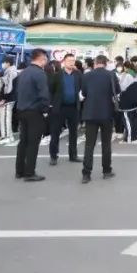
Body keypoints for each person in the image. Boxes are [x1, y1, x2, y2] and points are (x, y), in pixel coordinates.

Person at [14, 49, 50, 182]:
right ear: (41, 59)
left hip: (22, 110)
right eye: (45, 59)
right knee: (33, 143)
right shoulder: (40, 73)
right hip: (35, 111)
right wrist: (46, 110)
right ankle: (30, 172)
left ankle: (20, 170)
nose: (46, 62)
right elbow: (44, 95)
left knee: (23, 141)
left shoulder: (24, 73)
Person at [81, 55, 118, 183]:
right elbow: (117, 91)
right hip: (106, 113)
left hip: (90, 113)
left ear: (95, 63)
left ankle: (86, 173)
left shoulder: (86, 76)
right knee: (106, 143)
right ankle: (106, 170)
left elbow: (84, 93)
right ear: (106, 63)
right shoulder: (111, 75)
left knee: (89, 145)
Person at [48, 53, 82, 165]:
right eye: (69, 61)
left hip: (73, 107)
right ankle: (53, 156)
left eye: (73, 60)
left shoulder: (78, 74)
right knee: (55, 132)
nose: (71, 63)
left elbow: (82, 88)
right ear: (64, 62)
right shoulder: (57, 75)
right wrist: (52, 104)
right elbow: (51, 90)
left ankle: (73, 155)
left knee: (74, 133)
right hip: (60, 108)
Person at [0, 56, 19, 145]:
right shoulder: (11, 71)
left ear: (8, 63)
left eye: (3, 62)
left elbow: (8, 87)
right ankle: (7, 135)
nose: (2, 64)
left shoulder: (10, 72)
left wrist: (4, 98)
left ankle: (7, 136)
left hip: (8, 98)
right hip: (10, 98)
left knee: (5, 117)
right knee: (5, 117)